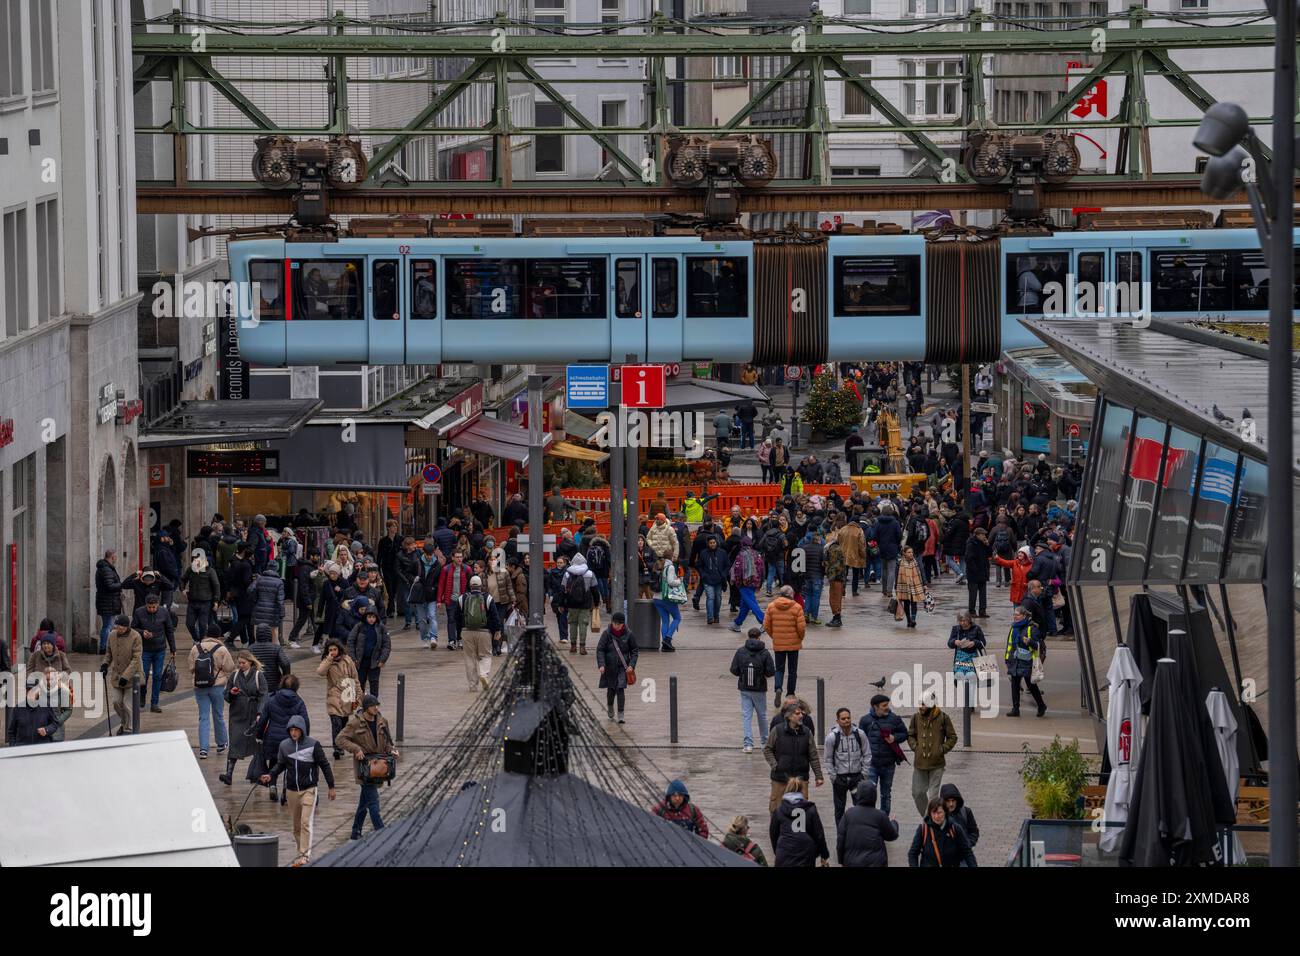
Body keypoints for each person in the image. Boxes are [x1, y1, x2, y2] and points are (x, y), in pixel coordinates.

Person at [260, 714, 337, 866]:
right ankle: (300, 851)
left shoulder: (314, 745)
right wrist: (270, 775)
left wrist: (331, 786)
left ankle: (304, 856)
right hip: (291, 791)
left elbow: (324, 765)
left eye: (296, 730)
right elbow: (281, 765)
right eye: (291, 730)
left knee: (305, 823)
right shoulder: (284, 746)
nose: (294, 733)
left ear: (302, 730)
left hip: (309, 789)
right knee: (296, 827)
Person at [336, 694, 398, 841]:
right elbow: (340, 739)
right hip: (364, 769)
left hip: (380, 767)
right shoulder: (355, 724)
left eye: (377, 705)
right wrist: (356, 749)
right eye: (373, 705)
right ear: (365, 708)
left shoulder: (383, 722)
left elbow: (388, 742)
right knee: (373, 802)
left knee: (365, 801)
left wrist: (392, 750)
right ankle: (381, 833)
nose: (376, 708)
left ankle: (355, 831)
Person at [253, 673, 310, 804]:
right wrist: (304, 738)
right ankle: (285, 790)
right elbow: (305, 721)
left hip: (272, 738)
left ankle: (272, 786)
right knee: (289, 765)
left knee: (274, 762)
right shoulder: (299, 701)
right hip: (291, 739)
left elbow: (263, 720)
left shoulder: (272, 699)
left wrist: (259, 735)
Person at [763, 698, 825, 813]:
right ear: (789, 716)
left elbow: (813, 755)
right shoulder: (777, 730)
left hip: (800, 778)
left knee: (801, 810)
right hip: (780, 777)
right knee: (776, 808)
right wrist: (775, 765)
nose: (801, 716)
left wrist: (819, 775)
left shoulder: (806, 732)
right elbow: (767, 749)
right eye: (797, 713)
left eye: (801, 713)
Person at [219, 650, 267, 785]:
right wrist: (231, 692)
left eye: (243, 663)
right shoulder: (234, 676)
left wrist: (260, 713)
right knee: (234, 742)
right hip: (237, 714)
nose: (240, 665)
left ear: (250, 662)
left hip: (253, 713)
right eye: (239, 663)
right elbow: (226, 696)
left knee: (256, 745)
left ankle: (256, 774)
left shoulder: (258, 675)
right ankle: (228, 774)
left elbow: (264, 695)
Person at [189, 623, 236, 759]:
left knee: (203, 717)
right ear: (218, 635)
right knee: (218, 715)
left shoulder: (195, 648)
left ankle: (203, 749)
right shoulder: (221, 649)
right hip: (217, 686)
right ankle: (221, 743)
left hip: (200, 687)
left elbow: (191, 667)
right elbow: (229, 667)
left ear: (207, 634)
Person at [907, 694, 957, 817]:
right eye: (920, 704)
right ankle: (928, 817)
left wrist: (941, 749)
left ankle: (930, 821)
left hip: (937, 764)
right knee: (917, 793)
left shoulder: (943, 718)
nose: (921, 707)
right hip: (920, 763)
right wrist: (915, 747)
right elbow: (911, 735)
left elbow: (952, 737)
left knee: (933, 797)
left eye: (923, 704)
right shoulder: (915, 718)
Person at [859, 694, 908, 816]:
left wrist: (895, 737)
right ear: (875, 707)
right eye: (884, 705)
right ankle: (869, 818)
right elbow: (860, 740)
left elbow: (905, 733)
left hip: (889, 764)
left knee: (886, 794)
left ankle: (884, 819)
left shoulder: (894, 719)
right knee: (869, 793)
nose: (887, 707)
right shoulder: (865, 720)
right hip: (871, 765)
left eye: (887, 705)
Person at [729, 626, 775, 753]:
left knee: (746, 716)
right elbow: (771, 671)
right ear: (759, 637)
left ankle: (748, 744)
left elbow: (733, 669)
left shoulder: (741, 651)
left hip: (744, 688)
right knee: (762, 715)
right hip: (760, 688)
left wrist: (742, 675)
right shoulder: (764, 652)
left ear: (748, 637)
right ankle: (765, 743)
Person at [824, 707, 871, 825]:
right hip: (840, 778)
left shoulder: (860, 734)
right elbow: (828, 759)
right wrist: (833, 777)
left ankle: (860, 831)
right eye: (843, 718)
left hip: (857, 777)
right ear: (838, 721)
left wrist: (864, 774)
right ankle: (841, 834)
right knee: (839, 809)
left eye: (848, 718)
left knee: (861, 807)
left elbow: (867, 754)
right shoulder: (832, 737)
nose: (846, 720)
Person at [769, 778, 831, 867]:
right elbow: (819, 834)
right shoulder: (810, 809)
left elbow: (773, 834)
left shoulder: (779, 811)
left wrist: (777, 850)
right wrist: (824, 854)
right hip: (806, 852)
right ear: (801, 790)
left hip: (784, 850)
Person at [837, 780, 899, 867]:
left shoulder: (848, 814)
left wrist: (841, 860)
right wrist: (893, 822)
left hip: (852, 861)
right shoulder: (880, 815)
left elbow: (840, 839)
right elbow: (892, 835)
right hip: (876, 862)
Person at [131, 592, 175, 714]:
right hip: (145, 650)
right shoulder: (139, 612)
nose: (152, 609)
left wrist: (173, 648)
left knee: (157, 676)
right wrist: (142, 632)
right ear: (146, 605)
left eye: (154, 607)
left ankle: (154, 703)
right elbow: (132, 628)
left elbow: (169, 630)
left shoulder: (164, 612)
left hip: (160, 649)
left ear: (158, 605)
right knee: (143, 675)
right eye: (149, 607)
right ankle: (142, 696)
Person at [317, 639, 361, 759]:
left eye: (334, 649)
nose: (333, 652)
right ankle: (337, 748)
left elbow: (355, 679)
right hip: (334, 697)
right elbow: (320, 672)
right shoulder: (327, 661)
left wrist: (358, 696)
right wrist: (329, 659)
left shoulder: (347, 660)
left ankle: (340, 744)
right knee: (335, 723)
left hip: (347, 696)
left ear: (339, 649)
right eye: (330, 650)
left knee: (343, 724)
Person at [456, 575, 501, 693]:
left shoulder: (462, 598)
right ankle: (484, 675)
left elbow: (455, 618)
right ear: (481, 585)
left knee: (469, 658)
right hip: (484, 632)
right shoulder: (488, 598)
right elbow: (495, 616)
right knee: (485, 655)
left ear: (470, 585)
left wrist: (458, 635)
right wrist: (497, 630)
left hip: (466, 632)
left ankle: (472, 685)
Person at [763, 585, 806, 707]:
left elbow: (766, 625)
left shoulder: (771, 607)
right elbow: (801, 627)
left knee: (779, 668)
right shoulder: (797, 607)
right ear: (791, 595)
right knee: (792, 670)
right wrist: (800, 638)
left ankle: (778, 688)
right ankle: (790, 693)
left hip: (779, 643)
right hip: (793, 644)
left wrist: (774, 636)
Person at [101, 615, 143, 735]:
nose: (117, 628)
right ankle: (124, 722)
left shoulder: (136, 636)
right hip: (117, 676)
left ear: (126, 627)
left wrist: (126, 676)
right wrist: (105, 664)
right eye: (116, 626)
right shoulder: (112, 635)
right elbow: (108, 653)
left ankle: (128, 729)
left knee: (127, 704)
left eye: (120, 626)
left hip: (132, 677)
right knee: (116, 702)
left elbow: (136, 659)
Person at [908, 797, 977, 867]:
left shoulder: (955, 828)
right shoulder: (923, 829)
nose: (936, 816)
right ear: (930, 813)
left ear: (945, 812)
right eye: (933, 813)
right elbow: (913, 853)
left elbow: (967, 852)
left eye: (939, 813)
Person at [595, 610, 638, 723]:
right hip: (609, 667)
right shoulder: (606, 634)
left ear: (623, 624)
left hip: (623, 668)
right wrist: (601, 664)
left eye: (619, 624)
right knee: (611, 690)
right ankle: (610, 706)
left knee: (620, 689)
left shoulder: (629, 634)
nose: (616, 626)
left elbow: (634, 651)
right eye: (614, 623)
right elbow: (600, 650)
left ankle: (621, 714)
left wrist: (631, 665)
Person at [1004, 605, 1047, 717]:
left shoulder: (1031, 628)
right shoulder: (1013, 628)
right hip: (1015, 660)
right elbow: (1009, 645)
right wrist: (1007, 659)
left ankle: (1041, 705)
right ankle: (1015, 709)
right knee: (1015, 685)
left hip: (1027, 661)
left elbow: (1038, 645)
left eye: (1017, 615)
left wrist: (1030, 642)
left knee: (1031, 685)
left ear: (1024, 616)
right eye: (1014, 614)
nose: (1015, 617)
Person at [347, 603, 391, 698]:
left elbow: (386, 645)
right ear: (365, 617)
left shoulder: (381, 628)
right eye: (369, 617)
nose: (371, 619)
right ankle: (360, 704)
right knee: (360, 683)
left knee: (374, 683)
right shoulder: (359, 627)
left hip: (375, 661)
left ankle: (374, 704)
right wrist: (353, 658)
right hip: (361, 661)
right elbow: (350, 641)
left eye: (373, 617)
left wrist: (382, 659)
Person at [561, 552, 597, 655]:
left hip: (571, 603)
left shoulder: (567, 573)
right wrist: (596, 603)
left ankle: (573, 646)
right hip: (585, 603)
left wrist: (561, 604)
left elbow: (562, 590)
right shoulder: (589, 573)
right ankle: (582, 646)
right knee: (583, 624)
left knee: (572, 624)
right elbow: (594, 590)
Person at [182, 549, 222, 642]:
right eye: (194, 560)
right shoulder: (190, 570)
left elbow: (216, 586)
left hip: (205, 602)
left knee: (203, 625)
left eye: (198, 560)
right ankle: (196, 639)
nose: (196, 562)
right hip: (192, 601)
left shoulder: (210, 571)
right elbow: (183, 579)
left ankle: (201, 641)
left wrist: (216, 601)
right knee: (189, 624)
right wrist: (182, 589)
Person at [5, 676, 58, 746]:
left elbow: (55, 724)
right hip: (22, 750)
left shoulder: (46, 706)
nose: (30, 692)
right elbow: (11, 732)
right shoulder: (18, 708)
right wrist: (13, 747)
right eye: (28, 690)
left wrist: (47, 730)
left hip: (42, 748)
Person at [948, 612, 987, 705]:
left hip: (972, 658)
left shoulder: (976, 628)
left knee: (971, 680)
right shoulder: (956, 629)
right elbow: (949, 643)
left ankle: (970, 703)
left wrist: (974, 643)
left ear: (969, 620)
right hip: (959, 658)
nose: (963, 623)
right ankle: (966, 700)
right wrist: (955, 642)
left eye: (965, 620)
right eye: (961, 621)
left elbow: (983, 643)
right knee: (959, 680)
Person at [728, 536, 766, 632]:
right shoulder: (757, 554)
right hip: (755, 582)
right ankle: (737, 623)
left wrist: (736, 582)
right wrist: (760, 582)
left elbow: (738, 570)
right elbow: (762, 569)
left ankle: (764, 621)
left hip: (744, 583)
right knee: (745, 604)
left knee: (751, 603)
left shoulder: (741, 555)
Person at [438, 550, 472, 651]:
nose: (459, 559)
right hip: (450, 598)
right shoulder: (446, 569)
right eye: (457, 557)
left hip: (463, 599)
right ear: (452, 558)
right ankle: (451, 641)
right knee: (451, 619)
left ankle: (460, 639)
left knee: (462, 620)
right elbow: (441, 584)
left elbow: (471, 584)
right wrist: (439, 600)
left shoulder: (467, 569)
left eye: (461, 557)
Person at [940, 783, 980, 865]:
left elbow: (974, 832)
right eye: (948, 801)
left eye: (953, 801)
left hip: (963, 858)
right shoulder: (938, 815)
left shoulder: (966, 812)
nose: (951, 804)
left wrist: (967, 844)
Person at [249, 623, 292, 694]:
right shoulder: (276, 648)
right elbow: (286, 663)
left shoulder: (251, 648)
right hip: (274, 684)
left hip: (256, 683)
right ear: (270, 634)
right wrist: (285, 677)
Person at [95, 550, 124, 653]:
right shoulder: (106, 569)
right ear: (112, 557)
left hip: (108, 601)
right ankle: (104, 648)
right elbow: (109, 585)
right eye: (115, 557)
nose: (116, 559)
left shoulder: (105, 568)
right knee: (108, 626)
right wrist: (122, 585)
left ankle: (105, 647)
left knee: (108, 625)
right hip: (108, 602)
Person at [652, 560, 684, 652]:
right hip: (666, 598)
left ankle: (665, 646)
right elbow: (670, 582)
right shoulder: (670, 567)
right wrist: (679, 580)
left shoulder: (656, 564)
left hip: (656, 598)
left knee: (665, 621)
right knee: (677, 618)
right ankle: (668, 639)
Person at [893, 546, 925, 628]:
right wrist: (896, 586)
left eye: (912, 552)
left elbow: (921, 572)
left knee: (914, 602)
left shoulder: (916, 562)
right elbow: (896, 575)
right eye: (909, 552)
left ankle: (913, 619)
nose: (911, 554)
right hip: (903, 585)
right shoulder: (899, 563)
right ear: (904, 553)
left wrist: (924, 584)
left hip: (914, 584)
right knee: (906, 603)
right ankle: (909, 620)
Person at [963, 526, 991, 618]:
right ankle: (972, 611)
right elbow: (968, 559)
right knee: (973, 594)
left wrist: (987, 545)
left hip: (983, 572)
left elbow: (989, 554)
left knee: (983, 594)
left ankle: (982, 611)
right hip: (973, 574)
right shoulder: (971, 544)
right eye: (983, 534)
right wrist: (974, 570)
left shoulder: (983, 543)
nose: (984, 536)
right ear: (977, 535)